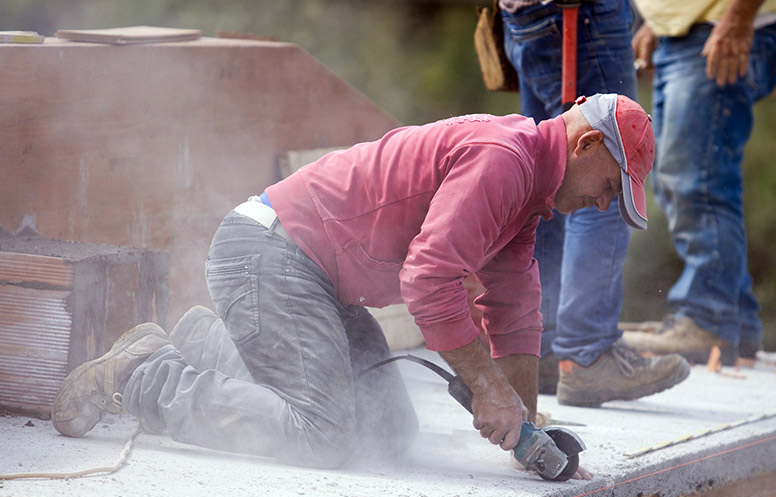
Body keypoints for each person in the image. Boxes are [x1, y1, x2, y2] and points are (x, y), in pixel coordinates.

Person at [51, 94, 688, 470]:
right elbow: (429, 280)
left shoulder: (528, 191)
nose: (607, 203)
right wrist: (489, 388)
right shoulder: (506, 160)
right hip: (267, 253)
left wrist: (524, 424)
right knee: (322, 435)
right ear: (583, 148)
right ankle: (141, 375)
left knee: (388, 430)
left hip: (307, 279)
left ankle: (206, 342)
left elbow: (514, 307)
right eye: (611, 187)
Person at [498, 0, 686, 406]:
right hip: (579, 15)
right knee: (606, 175)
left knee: (550, 172)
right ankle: (586, 353)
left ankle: (544, 348)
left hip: (526, 15)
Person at [623, 0, 776, 365]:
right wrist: (663, 20)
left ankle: (707, 318)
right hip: (688, 32)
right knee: (677, 179)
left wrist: (738, 17)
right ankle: (734, 322)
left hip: (721, 30)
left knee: (696, 181)